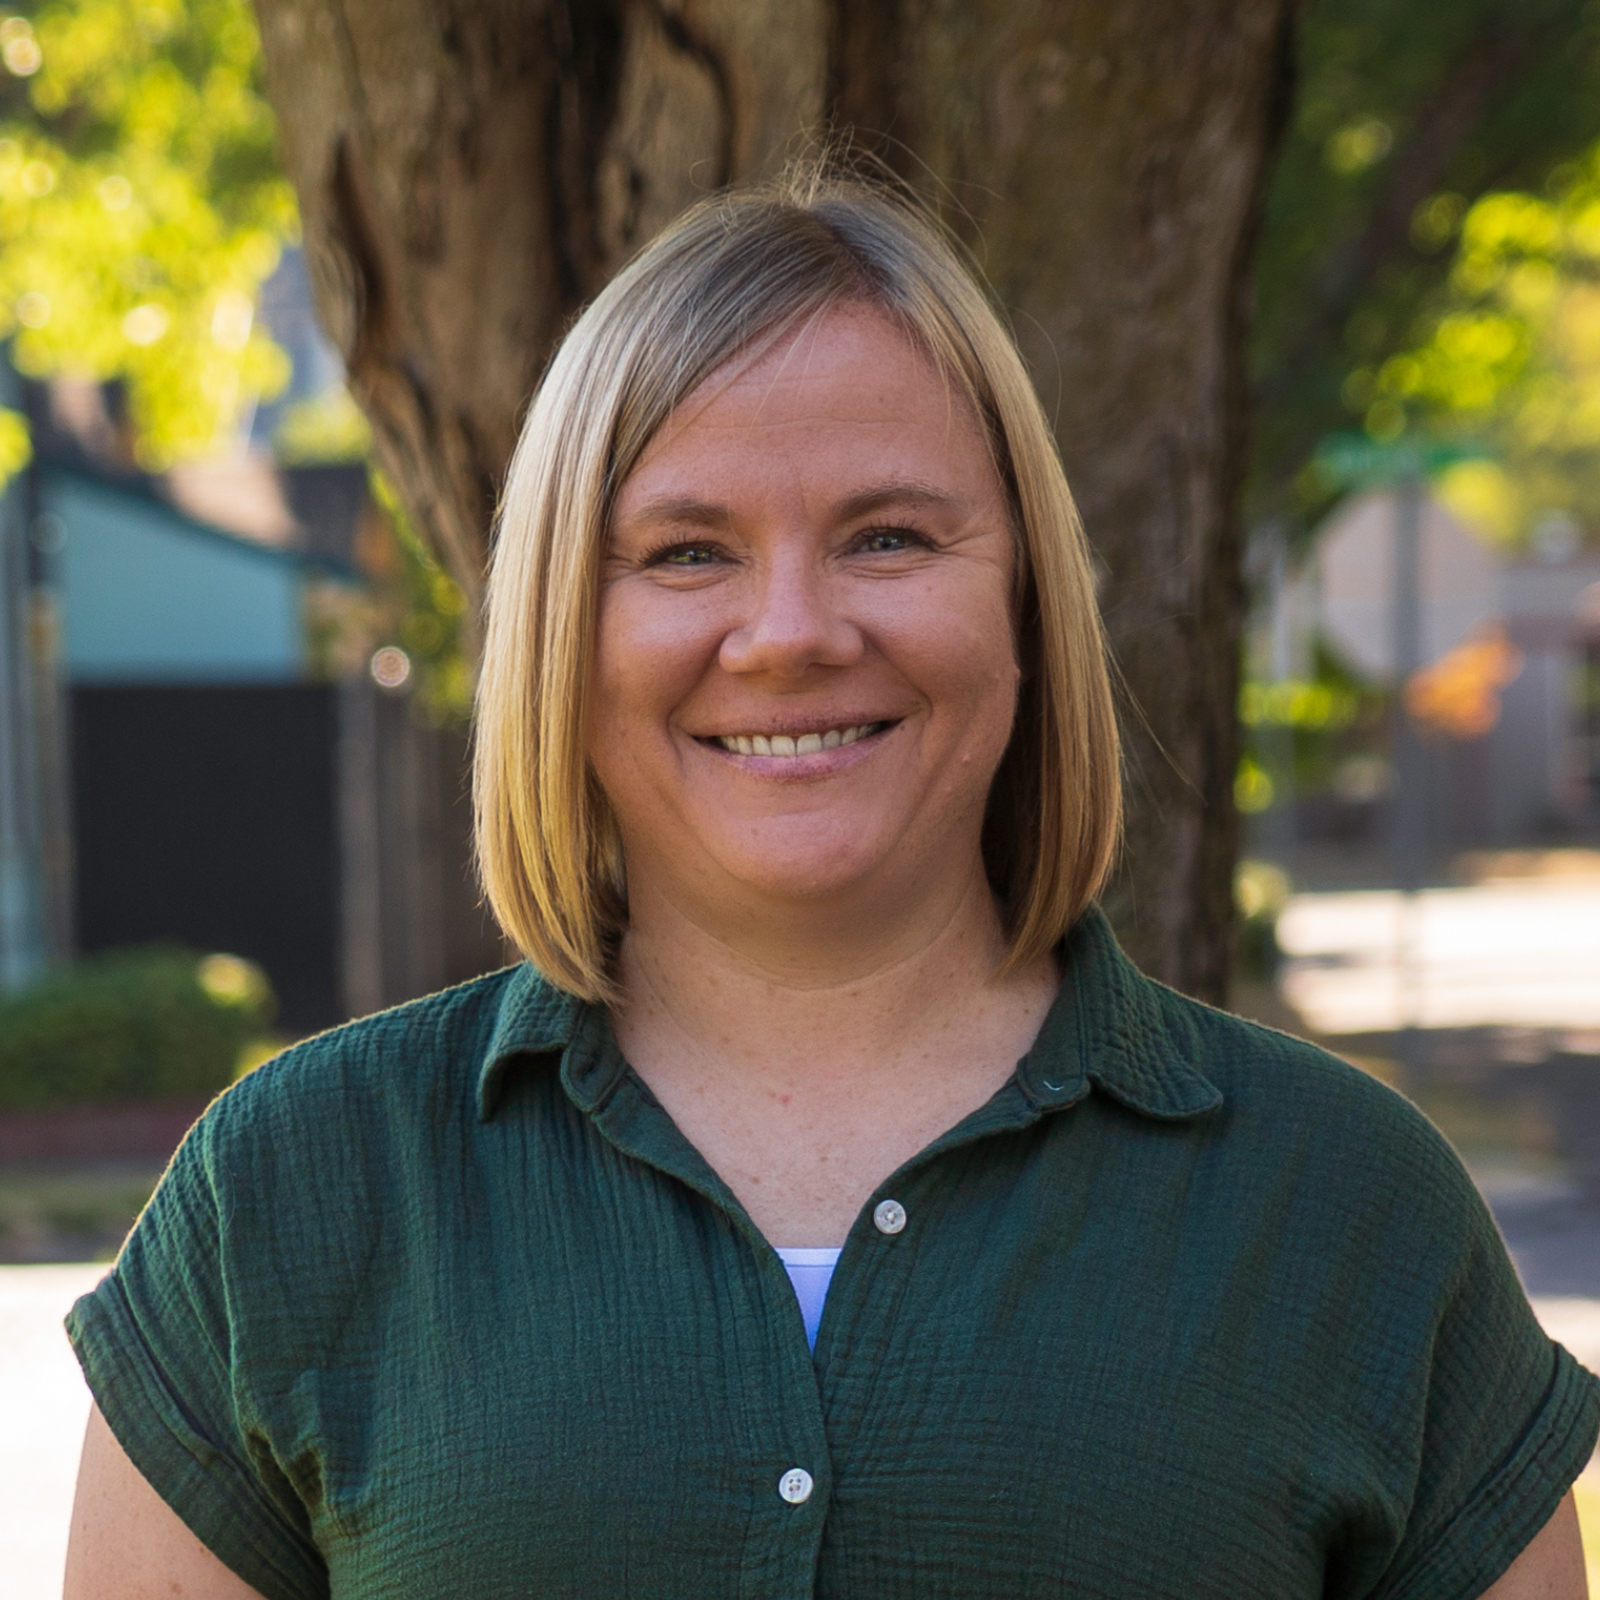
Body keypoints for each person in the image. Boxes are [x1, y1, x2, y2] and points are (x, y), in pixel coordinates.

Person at [64, 169, 1596, 1600]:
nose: (789, 630)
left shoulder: (1356, 1217)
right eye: (682, 553)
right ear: (558, 636)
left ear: (1024, 607)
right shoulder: (291, 1199)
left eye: (887, 535)